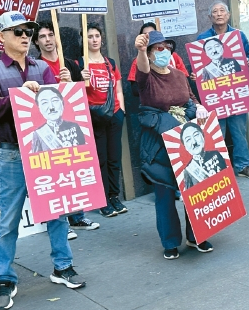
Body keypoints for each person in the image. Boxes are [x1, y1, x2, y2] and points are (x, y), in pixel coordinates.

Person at [0, 11, 84, 310]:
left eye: (28, 31)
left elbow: (59, 107)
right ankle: (5, 278)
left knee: (57, 210)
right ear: (1, 37)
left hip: (46, 150)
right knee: (9, 219)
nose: (25, 36)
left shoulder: (42, 68)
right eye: (17, 32)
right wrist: (16, 96)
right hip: (12, 153)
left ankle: (63, 266)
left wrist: (66, 85)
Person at [134, 30, 213, 259]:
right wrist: (140, 51)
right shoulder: (147, 77)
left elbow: (190, 96)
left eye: (167, 47)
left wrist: (197, 107)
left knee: (194, 188)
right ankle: (169, 241)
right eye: (158, 48)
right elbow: (141, 70)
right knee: (165, 193)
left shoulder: (179, 75)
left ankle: (197, 235)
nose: (164, 51)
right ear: (149, 54)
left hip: (186, 141)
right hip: (160, 145)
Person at [30, 22, 99, 236]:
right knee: (56, 175)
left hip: (70, 127)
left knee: (73, 173)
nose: (48, 39)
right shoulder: (35, 67)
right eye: (43, 36)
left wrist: (74, 82)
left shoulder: (70, 63)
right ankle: (62, 223)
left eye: (51, 35)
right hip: (49, 130)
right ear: (36, 42)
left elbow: (80, 97)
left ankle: (77, 217)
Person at [196, 1, 249, 179]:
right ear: (210, 17)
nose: (218, 14)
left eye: (222, 10)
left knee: (239, 129)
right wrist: (197, 75)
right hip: (214, 95)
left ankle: (243, 166)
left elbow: (247, 57)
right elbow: (198, 63)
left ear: (228, 15)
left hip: (235, 93)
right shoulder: (202, 38)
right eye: (214, 11)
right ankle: (218, 169)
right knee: (217, 132)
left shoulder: (238, 35)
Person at [78, 23, 128, 218]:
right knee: (101, 160)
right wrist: (81, 79)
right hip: (95, 116)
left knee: (114, 159)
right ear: (84, 40)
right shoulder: (80, 64)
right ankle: (103, 200)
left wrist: (121, 111)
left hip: (114, 114)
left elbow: (119, 89)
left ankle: (115, 196)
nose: (94, 39)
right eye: (90, 36)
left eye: (97, 36)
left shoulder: (111, 63)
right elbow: (75, 93)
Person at [127, 22, 191, 98]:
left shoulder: (174, 57)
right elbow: (136, 90)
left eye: (152, 33)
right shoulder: (138, 62)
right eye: (145, 35)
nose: (149, 37)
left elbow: (185, 82)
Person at [29, 87, 87, 153]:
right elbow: (36, 159)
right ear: (40, 109)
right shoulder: (38, 133)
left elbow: (84, 151)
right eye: (44, 103)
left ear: (62, 103)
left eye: (54, 100)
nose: (51, 107)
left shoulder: (74, 126)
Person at [180, 122, 226, 190]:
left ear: (202, 136)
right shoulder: (188, 170)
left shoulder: (215, 154)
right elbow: (190, 194)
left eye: (196, 135)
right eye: (188, 140)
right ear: (185, 147)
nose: (194, 142)